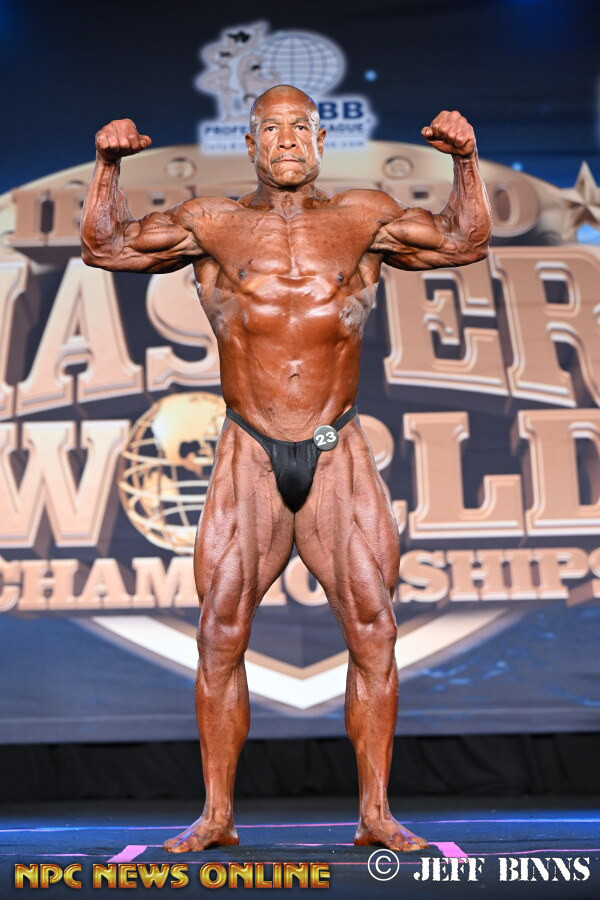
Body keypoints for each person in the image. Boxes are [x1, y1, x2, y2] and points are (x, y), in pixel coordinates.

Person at [81, 84, 491, 853]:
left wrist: (465, 162)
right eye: (271, 129)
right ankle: (217, 816)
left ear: (320, 139)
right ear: (251, 144)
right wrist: (107, 168)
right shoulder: (211, 222)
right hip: (250, 451)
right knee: (220, 632)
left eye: (301, 126)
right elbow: (105, 247)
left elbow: (464, 242)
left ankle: (375, 813)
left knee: (374, 629)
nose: (288, 140)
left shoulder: (363, 217)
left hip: (337, 450)